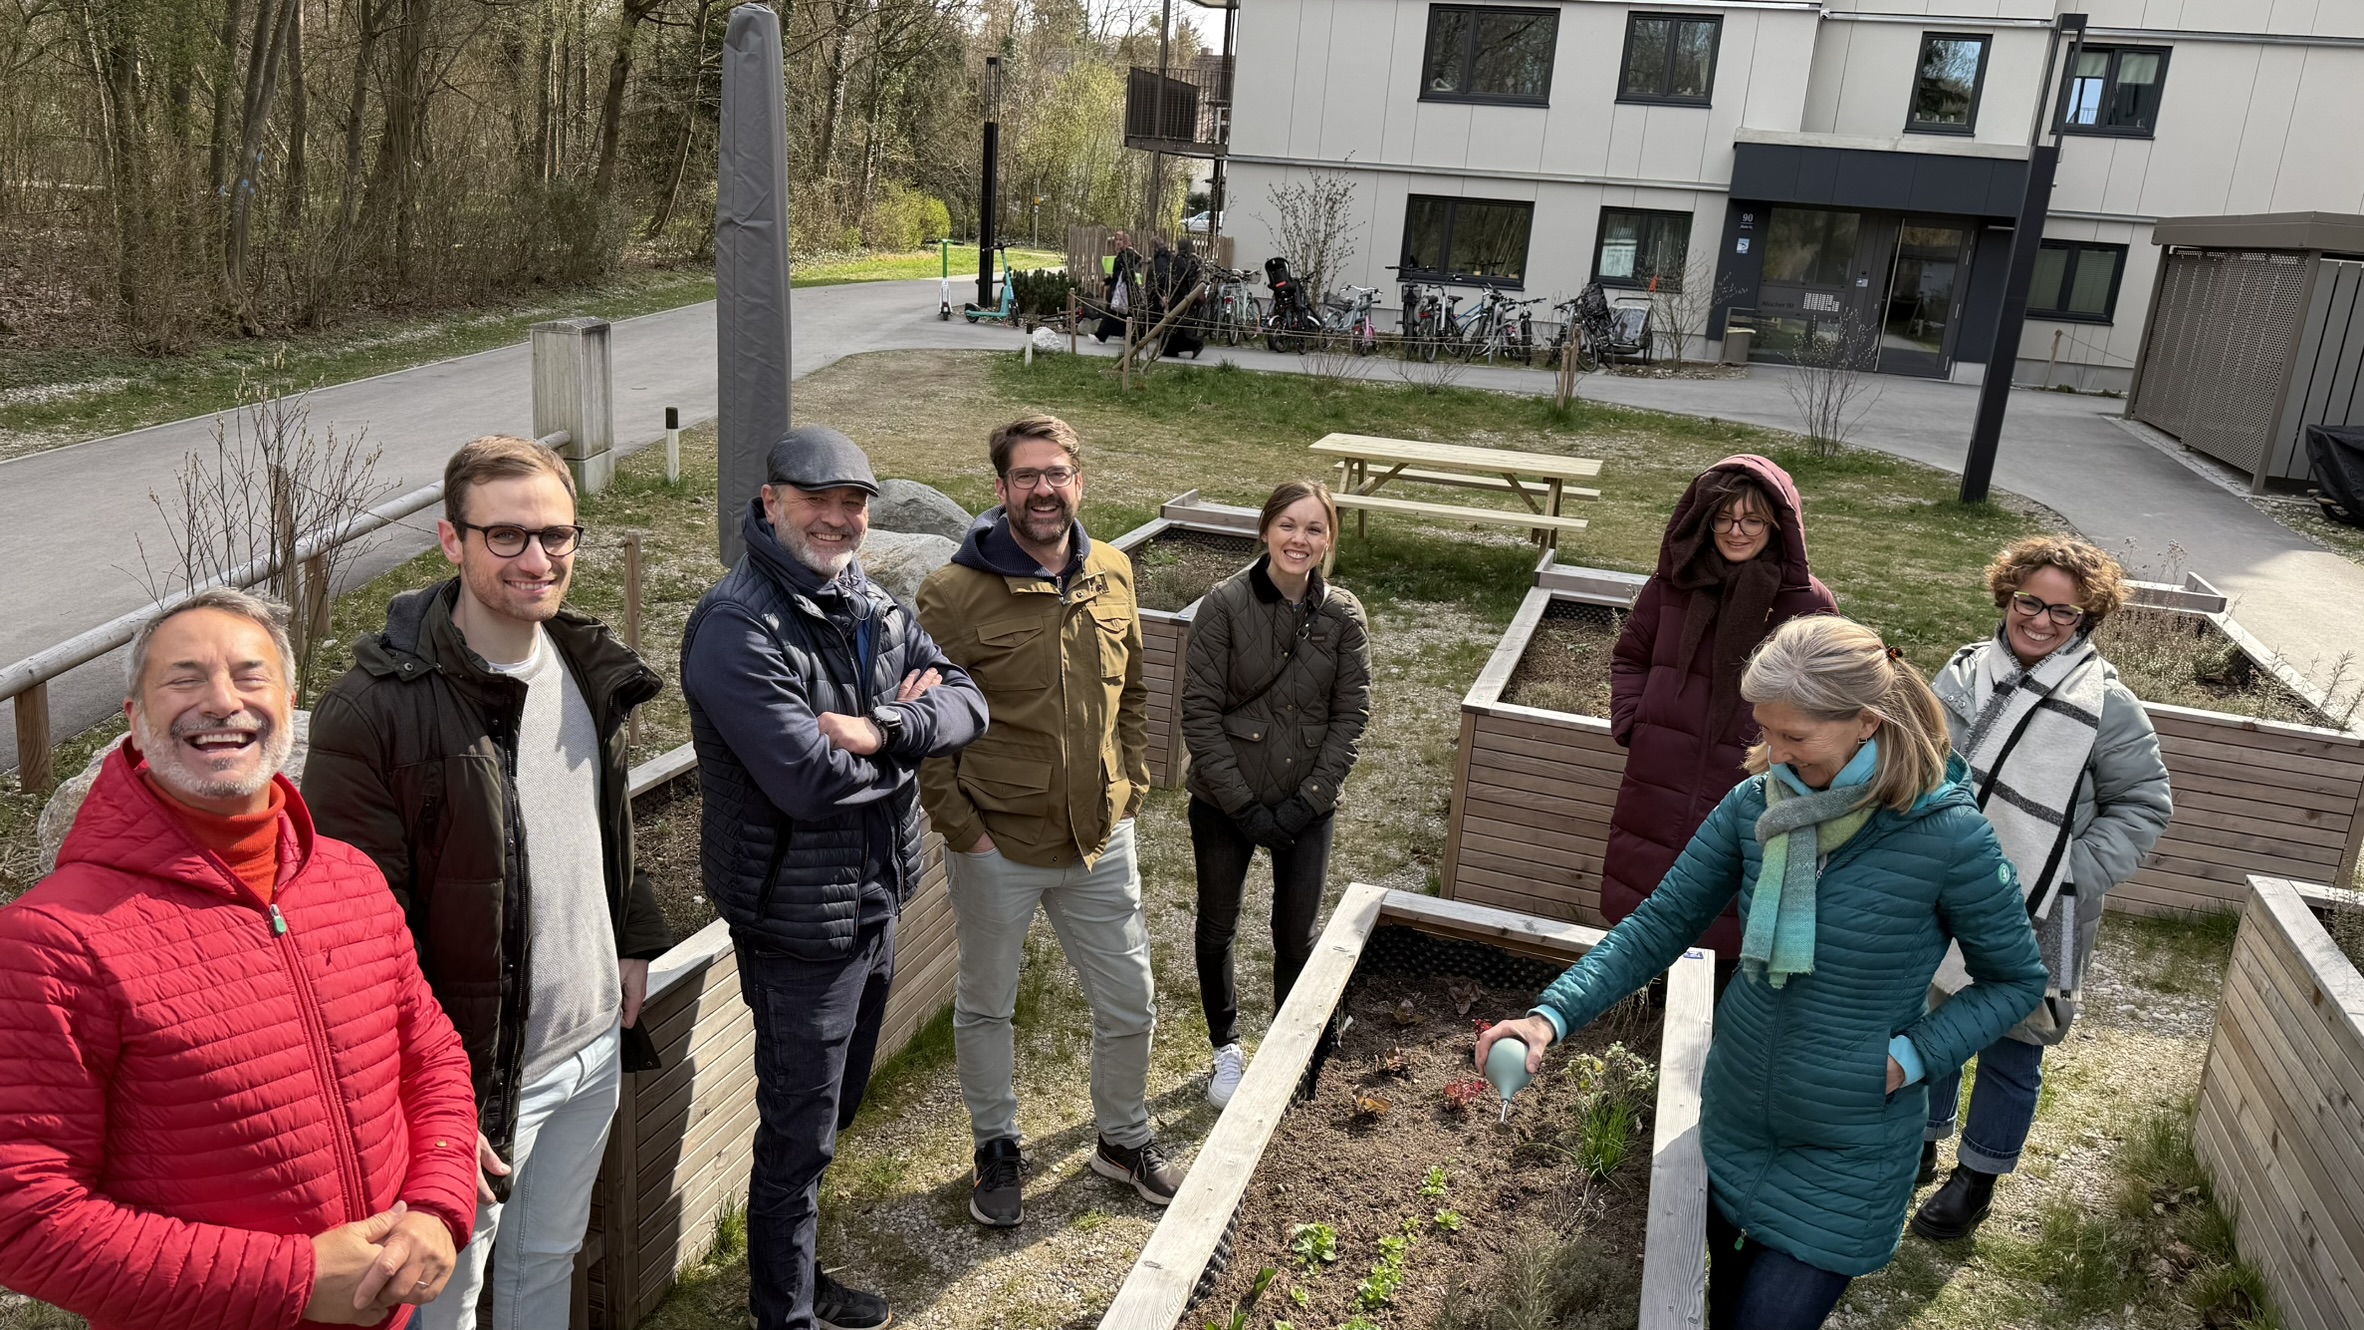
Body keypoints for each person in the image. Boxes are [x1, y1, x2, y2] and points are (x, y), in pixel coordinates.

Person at [1476, 616, 2047, 1330]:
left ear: (1867, 722)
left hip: (1849, 1148)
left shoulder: (1949, 836)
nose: (1772, 753)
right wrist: (1547, 1015)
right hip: (1738, 1118)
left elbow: (2016, 981)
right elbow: (1659, 925)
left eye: (1795, 737)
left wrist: (1912, 1057)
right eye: (1767, 731)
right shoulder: (1757, 806)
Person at [0, 590, 480, 1330]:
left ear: (289, 700)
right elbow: (25, 1219)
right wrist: (294, 1279)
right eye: (185, 678)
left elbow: (432, 1059)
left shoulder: (348, 879)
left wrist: (436, 1206)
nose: (223, 702)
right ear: (133, 715)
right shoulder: (54, 940)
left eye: (249, 676)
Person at [306, 435, 671, 1330]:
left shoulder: (585, 665)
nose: (537, 559)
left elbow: (601, 824)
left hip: (590, 1049)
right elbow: (351, 933)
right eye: (505, 536)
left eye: (556, 534)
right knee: (448, 1298)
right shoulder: (375, 710)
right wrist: (417, 1096)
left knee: (546, 1263)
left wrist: (632, 936)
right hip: (472, 1080)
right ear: (450, 540)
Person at [680, 426, 988, 1330]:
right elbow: (808, 782)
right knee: (798, 1134)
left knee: (835, 1106)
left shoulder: (867, 600)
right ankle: (786, 1313)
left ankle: (798, 1278)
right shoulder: (736, 627)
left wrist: (882, 729)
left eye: (854, 502)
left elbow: (967, 699)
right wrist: (913, 729)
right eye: (819, 499)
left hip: (876, 898)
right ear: (770, 502)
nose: (840, 517)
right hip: (797, 924)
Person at [916, 413, 1185, 1227]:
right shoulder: (953, 595)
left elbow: (1132, 693)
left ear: (1079, 481)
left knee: (1130, 1000)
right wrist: (965, 830)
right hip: (999, 842)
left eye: (1057, 473)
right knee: (988, 1003)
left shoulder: (1112, 570)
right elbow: (926, 732)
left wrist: (1131, 782)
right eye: (1026, 476)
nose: (1043, 489)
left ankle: (1122, 1139)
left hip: (1101, 837)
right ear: (1000, 490)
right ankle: (997, 1145)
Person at [1911, 537, 2171, 1241]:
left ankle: (1978, 1175)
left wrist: (2062, 874)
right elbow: (1922, 763)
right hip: (1949, 886)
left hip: (2041, 908)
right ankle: (1922, 1139)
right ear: (2008, 595)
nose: (2043, 620)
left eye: (2065, 610)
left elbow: (2145, 805)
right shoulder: (1964, 672)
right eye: (2032, 601)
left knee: (2013, 1043)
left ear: (2086, 617)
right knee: (1930, 1016)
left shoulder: (2106, 704)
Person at [1181, 479, 1370, 1108]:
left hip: (1305, 806)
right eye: (1289, 524)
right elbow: (1200, 714)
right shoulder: (1223, 605)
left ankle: (1294, 1051)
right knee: (1217, 926)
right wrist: (1242, 806)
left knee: (1296, 937)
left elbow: (1351, 717)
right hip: (1224, 804)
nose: (1300, 539)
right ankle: (1225, 1049)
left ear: (1328, 540)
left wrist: (1308, 800)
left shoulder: (1345, 616)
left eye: (1315, 529)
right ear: (1265, 529)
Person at [1605, 456, 1835, 958]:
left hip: (1751, 776)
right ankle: (1636, 997)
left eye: (1752, 519)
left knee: (1727, 900)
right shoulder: (1673, 586)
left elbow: (1832, 698)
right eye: (1724, 518)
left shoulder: (1806, 604)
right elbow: (1630, 657)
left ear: (1777, 526)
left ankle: (1705, 1004)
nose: (1737, 531)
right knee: (1645, 890)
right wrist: (1634, 720)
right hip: (1660, 767)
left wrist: (1795, 754)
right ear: (1703, 521)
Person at [1096, 231, 1142, 343]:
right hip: (1118, 289)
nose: (1117, 242)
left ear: (1126, 241)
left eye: (1120, 240)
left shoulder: (1129, 255)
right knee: (1123, 315)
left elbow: (1126, 274)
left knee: (1112, 313)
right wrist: (1106, 281)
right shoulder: (1122, 255)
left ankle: (1101, 336)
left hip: (1124, 291)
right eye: (1116, 239)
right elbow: (1116, 273)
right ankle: (1133, 336)